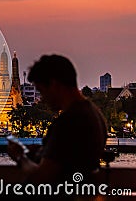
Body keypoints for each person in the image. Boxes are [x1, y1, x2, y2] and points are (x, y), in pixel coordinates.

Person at [8, 54, 107, 184]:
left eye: (42, 91)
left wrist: (20, 157)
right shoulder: (93, 113)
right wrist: (41, 151)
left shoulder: (68, 123)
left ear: (54, 85)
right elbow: (68, 156)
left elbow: (42, 177)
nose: (43, 99)